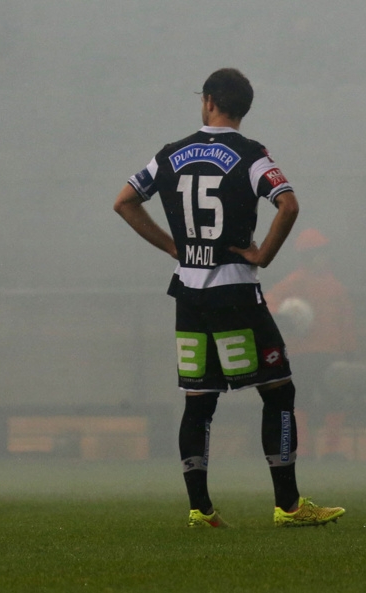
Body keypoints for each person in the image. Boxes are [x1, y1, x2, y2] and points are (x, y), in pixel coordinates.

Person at [113, 68, 345, 528]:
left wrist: (172, 246)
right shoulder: (250, 154)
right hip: (236, 289)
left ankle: (200, 510)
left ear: (210, 102)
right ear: (241, 106)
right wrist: (264, 254)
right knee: (279, 391)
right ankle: (289, 505)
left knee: (199, 401)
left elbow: (124, 201)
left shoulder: (171, 154)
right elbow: (289, 204)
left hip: (189, 294)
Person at [265, 228, 358, 458]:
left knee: (335, 402)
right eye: (318, 252)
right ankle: (303, 450)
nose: (324, 257)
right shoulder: (294, 282)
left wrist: (349, 351)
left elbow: (345, 320)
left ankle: (332, 450)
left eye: (325, 252)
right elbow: (269, 302)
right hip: (301, 353)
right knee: (302, 401)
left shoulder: (335, 286)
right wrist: (282, 316)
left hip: (331, 354)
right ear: (306, 256)